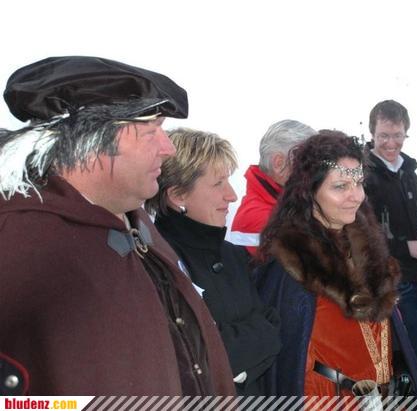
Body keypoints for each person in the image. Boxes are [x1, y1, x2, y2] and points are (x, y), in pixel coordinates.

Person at [0, 56, 235, 395]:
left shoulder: (135, 221)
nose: (168, 148)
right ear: (93, 141)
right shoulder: (19, 243)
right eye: (151, 131)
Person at [254, 131, 417, 398]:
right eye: (340, 187)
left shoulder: (369, 248)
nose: (356, 196)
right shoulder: (291, 265)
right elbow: (289, 363)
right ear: (309, 191)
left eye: (358, 183)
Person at [145, 128, 281, 395]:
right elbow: (189, 354)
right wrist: (243, 355)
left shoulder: (234, 256)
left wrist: (232, 360)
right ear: (178, 195)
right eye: (218, 183)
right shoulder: (158, 263)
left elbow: (273, 328)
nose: (232, 195)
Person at [363, 99, 417, 386]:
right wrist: (406, 247)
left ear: (407, 132)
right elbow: (361, 235)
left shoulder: (409, 170)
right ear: (372, 133)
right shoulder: (362, 174)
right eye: (383, 136)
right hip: (395, 285)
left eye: (397, 135)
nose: (391, 143)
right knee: (409, 370)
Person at [230, 119, 316, 255]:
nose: (314, 170)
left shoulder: (285, 203)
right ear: (279, 163)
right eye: (307, 161)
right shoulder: (262, 218)